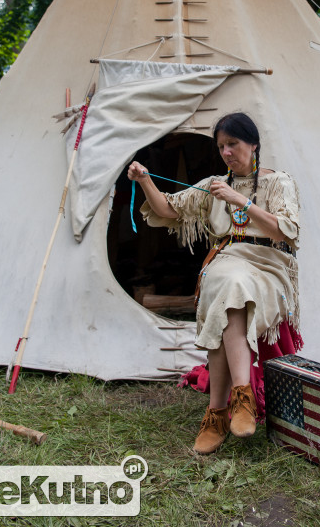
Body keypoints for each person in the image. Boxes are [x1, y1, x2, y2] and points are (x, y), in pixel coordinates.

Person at [128, 112, 301, 454]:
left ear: (254, 144)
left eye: (233, 144)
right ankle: (242, 398)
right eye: (221, 146)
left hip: (270, 267)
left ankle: (217, 412)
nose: (226, 152)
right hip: (226, 262)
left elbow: (285, 231)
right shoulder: (212, 186)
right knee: (229, 281)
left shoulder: (280, 182)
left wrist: (242, 202)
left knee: (229, 291)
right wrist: (144, 179)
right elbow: (167, 208)